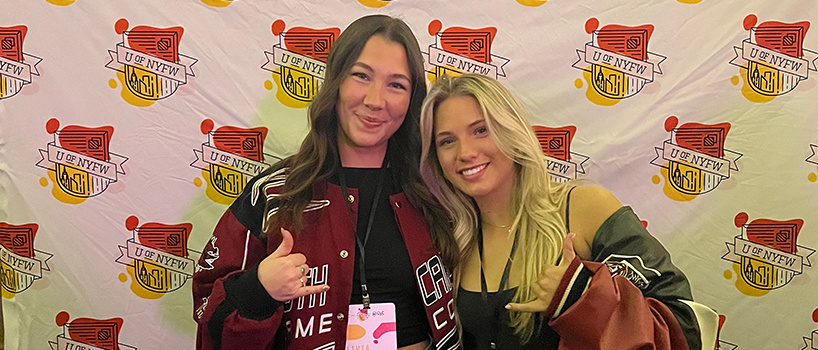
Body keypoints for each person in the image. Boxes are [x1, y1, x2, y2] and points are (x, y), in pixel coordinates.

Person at [192, 15, 460, 350]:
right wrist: (258, 289)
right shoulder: (276, 193)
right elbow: (208, 308)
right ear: (335, 82)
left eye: (397, 85)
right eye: (361, 76)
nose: (376, 100)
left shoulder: (438, 193)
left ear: (412, 100)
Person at [419, 74, 707, 350]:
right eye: (447, 141)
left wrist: (580, 295)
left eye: (481, 130)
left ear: (512, 130)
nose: (465, 152)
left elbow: (684, 327)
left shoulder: (581, 208)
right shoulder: (452, 241)